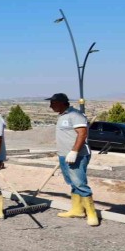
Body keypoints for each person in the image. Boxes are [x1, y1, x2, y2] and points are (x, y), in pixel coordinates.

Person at [46, 93, 99, 226]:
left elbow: (82, 133)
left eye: (53, 103)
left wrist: (74, 151)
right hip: (64, 155)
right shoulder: (62, 116)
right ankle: (77, 209)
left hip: (77, 156)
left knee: (80, 183)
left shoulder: (75, 115)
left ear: (61, 103)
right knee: (73, 183)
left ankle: (92, 213)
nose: (50, 106)